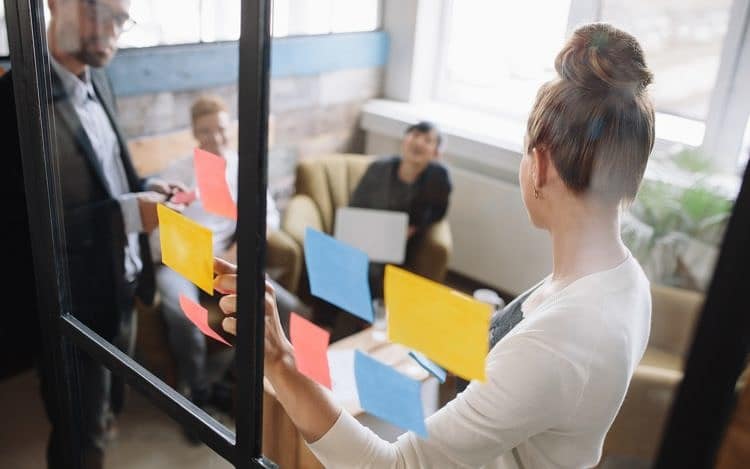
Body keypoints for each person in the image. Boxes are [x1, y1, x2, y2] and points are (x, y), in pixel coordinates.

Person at [215, 22, 656, 468]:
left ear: (539, 165)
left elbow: (391, 466)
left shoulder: (556, 344)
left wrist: (279, 360)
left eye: (525, 151)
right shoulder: (625, 280)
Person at [2, 0, 187, 467]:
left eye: (121, 19)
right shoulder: (13, 100)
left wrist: (146, 189)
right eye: (95, 10)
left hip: (122, 286)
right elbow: (21, 227)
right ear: (54, 4)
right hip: (72, 306)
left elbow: (107, 177)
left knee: (106, 413)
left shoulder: (100, 78)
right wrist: (126, 214)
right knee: (79, 437)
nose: (109, 29)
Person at [152, 95, 311, 422]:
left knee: (289, 307)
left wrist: (235, 252)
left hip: (227, 257)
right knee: (183, 316)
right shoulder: (178, 173)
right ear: (195, 133)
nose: (215, 137)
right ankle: (197, 394)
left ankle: (247, 380)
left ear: (230, 129)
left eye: (221, 129)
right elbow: (159, 231)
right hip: (181, 261)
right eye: (205, 130)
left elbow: (268, 217)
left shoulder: (244, 167)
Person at [348, 120, 452, 298]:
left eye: (427, 140)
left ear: (436, 153)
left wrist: (414, 228)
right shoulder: (378, 168)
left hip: (402, 245)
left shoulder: (438, 178)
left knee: (374, 269)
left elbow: (438, 210)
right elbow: (355, 205)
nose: (418, 142)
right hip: (366, 232)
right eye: (415, 135)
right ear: (404, 140)